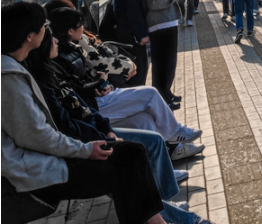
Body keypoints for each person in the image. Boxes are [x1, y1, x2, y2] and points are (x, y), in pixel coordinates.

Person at [21, 25, 214, 224]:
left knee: (146, 127)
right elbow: (65, 123)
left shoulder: (55, 68)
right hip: (83, 143)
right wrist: (100, 135)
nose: (55, 41)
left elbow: (82, 106)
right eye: (48, 37)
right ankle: (179, 213)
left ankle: (166, 201)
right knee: (132, 156)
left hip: (94, 127)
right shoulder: (41, 79)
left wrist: (105, 127)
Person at [1, 2, 168, 224]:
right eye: (44, 25)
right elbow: (36, 135)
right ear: (30, 36)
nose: (49, 32)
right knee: (127, 163)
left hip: (51, 155)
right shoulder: (9, 76)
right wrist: (85, 150)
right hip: (32, 170)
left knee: (132, 154)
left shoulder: (19, 68)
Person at [49, 7, 205, 162]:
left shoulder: (73, 48)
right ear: (70, 30)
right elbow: (78, 87)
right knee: (150, 94)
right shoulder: (63, 56)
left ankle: (163, 167)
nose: (83, 28)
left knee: (144, 120)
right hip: (94, 106)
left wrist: (102, 85)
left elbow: (81, 83)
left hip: (98, 98)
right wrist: (101, 81)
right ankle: (175, 132)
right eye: (80, 24)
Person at [141, 0, 187, 108]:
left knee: (170, 63)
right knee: (161, 65)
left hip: (168, 23)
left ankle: (166, 92)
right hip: (159, 26)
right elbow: (155, 2)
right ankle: (161, 99)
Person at [113, 0, 150, 86]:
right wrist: (142, 35)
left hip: (124, 34)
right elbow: (134, 13)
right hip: (133, 37)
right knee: (139, 69)